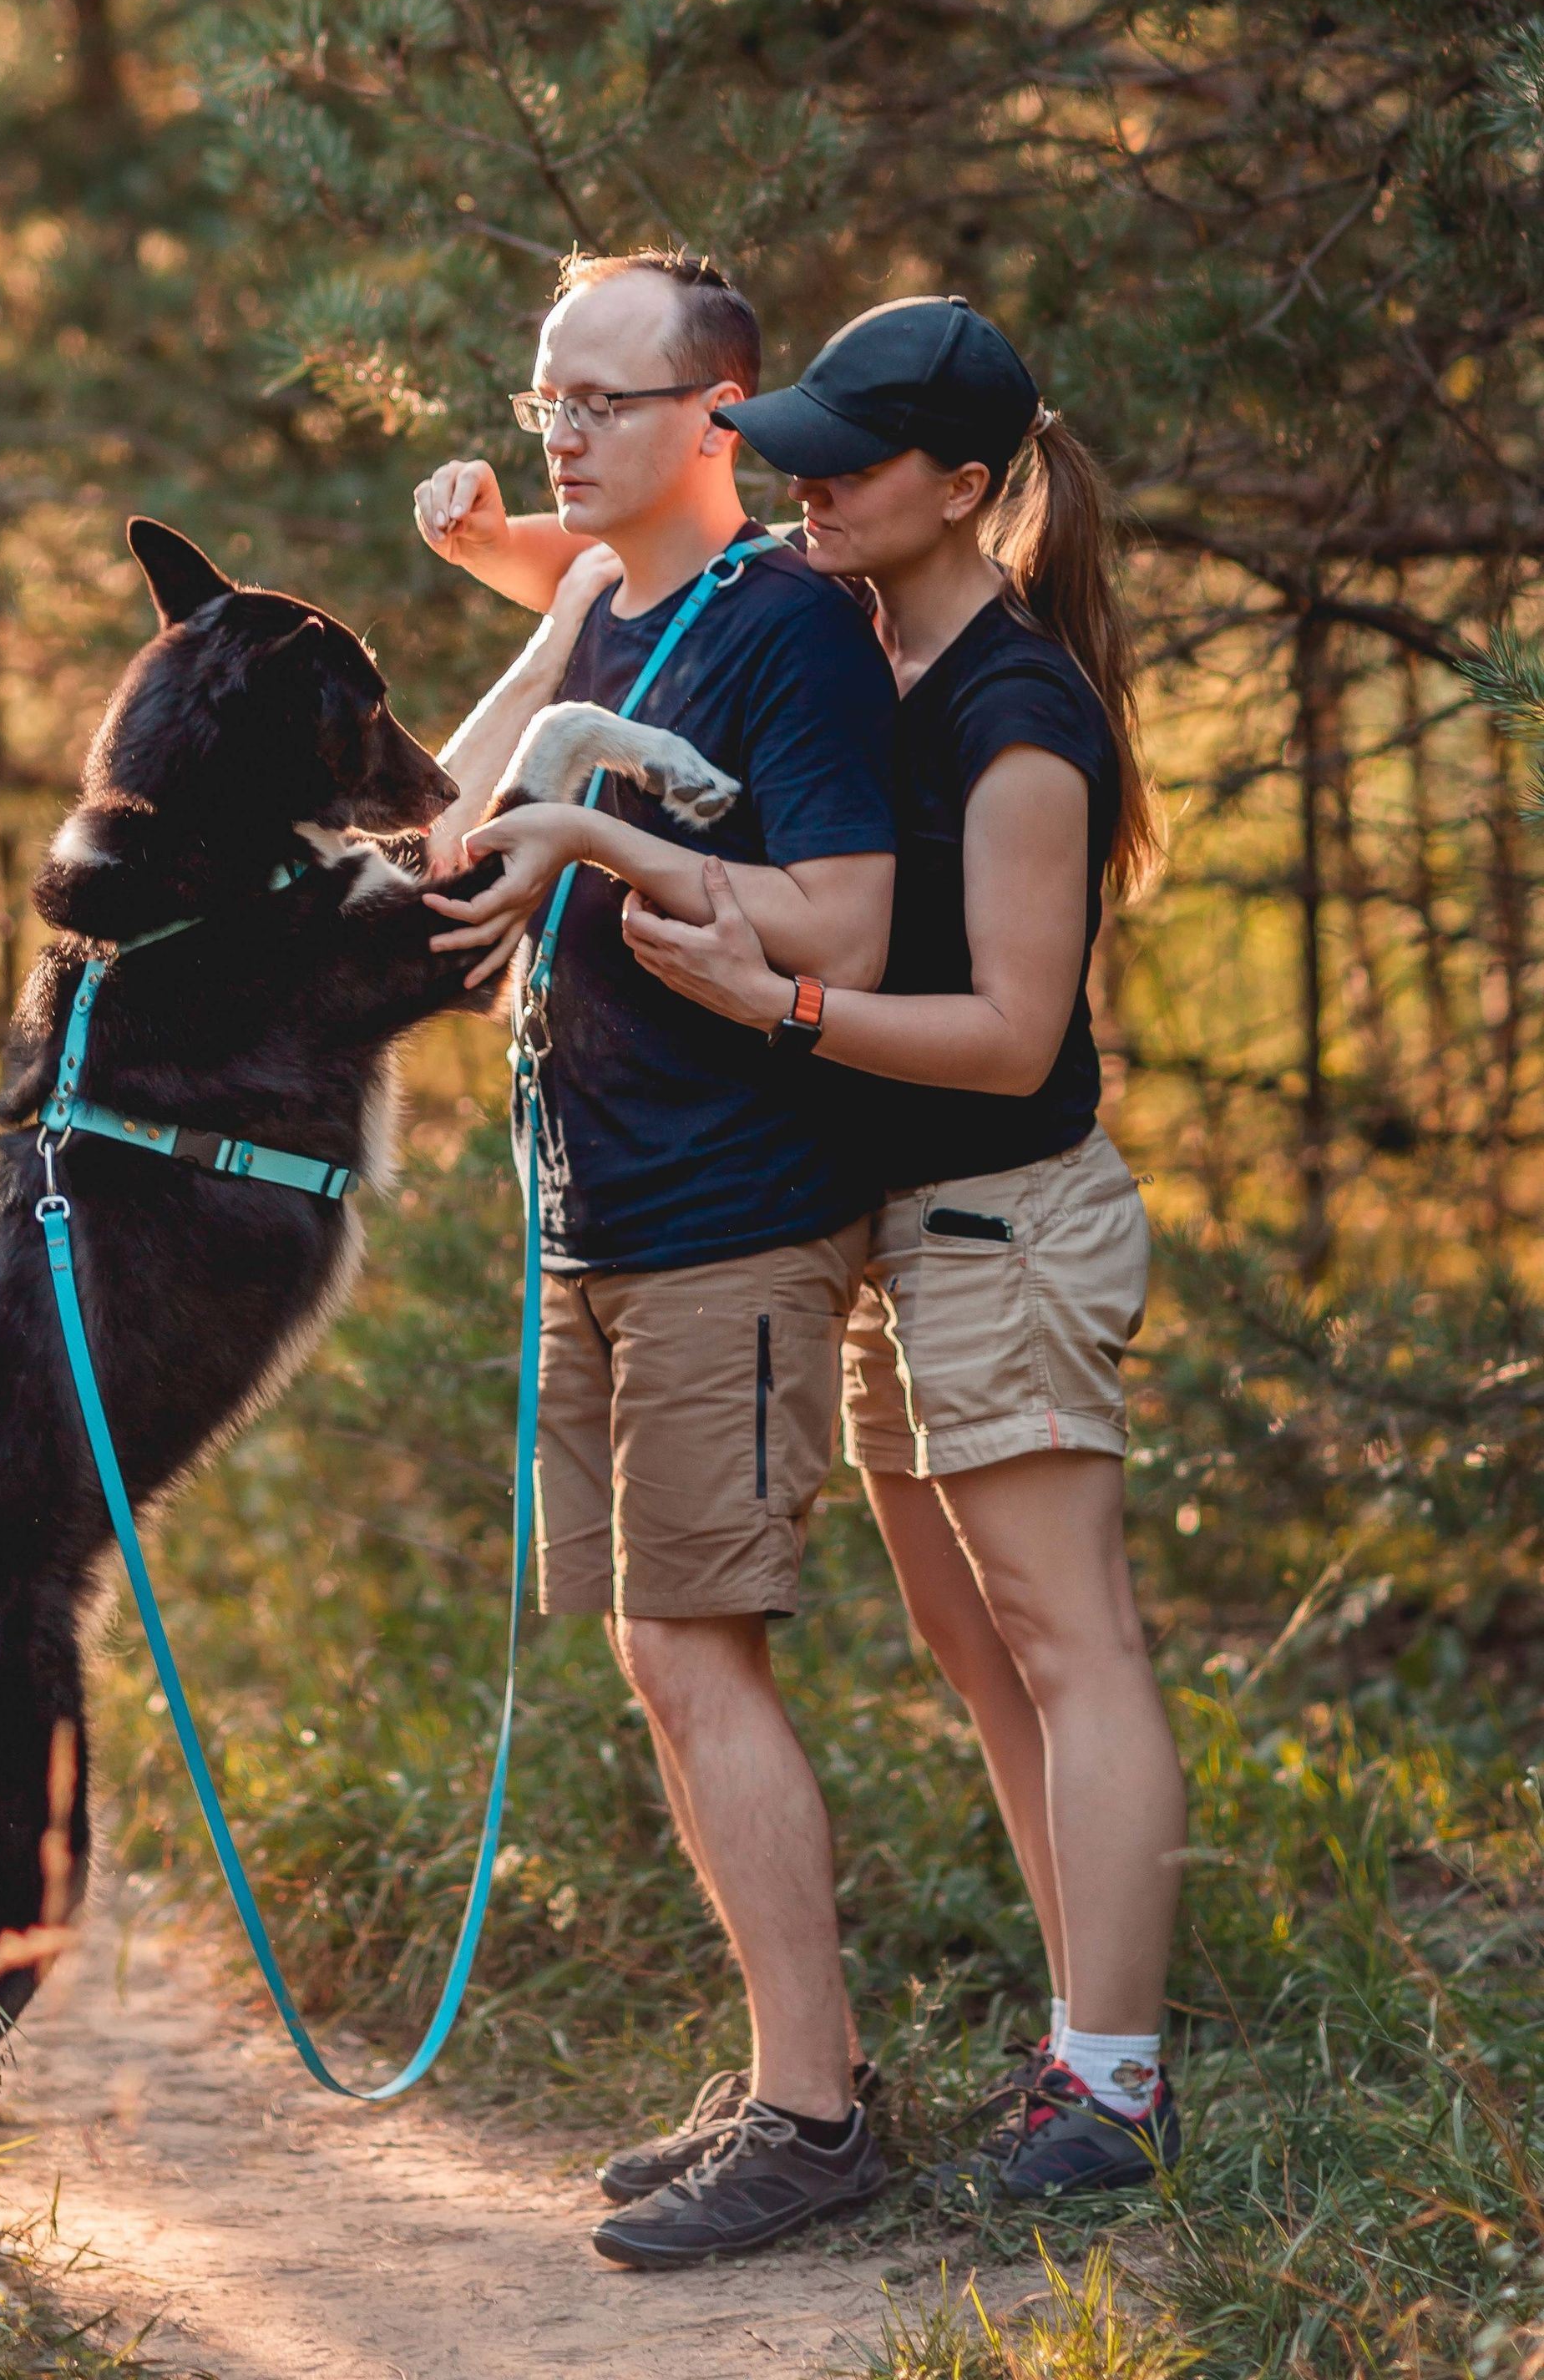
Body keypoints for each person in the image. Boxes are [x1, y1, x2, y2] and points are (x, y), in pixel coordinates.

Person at [423, 295, 1186, 2209]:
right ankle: (1072, 2046)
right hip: (903, 1218)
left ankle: (1113, 2080)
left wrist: (779, 1010)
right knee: (966, 1639)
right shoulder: (863, 625)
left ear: (960, 488)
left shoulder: (1015, 725)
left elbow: (1013, 1038)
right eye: (797, 442)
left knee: (1065, 1638)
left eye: (844, 457)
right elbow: (625, 544)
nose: (802, 477)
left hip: (1004, 1207)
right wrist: (499, 545)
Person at [419, 251, 901, 2268]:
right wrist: (547, 701)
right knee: (653, 1650)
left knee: (702, 1650)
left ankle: (816, 2117)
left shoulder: (785, 628)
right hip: (591, 1210)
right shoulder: (608, 601)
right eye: (548, 395)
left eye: (605, 399)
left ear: (720, 411)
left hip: (737, 1209)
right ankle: (789, 2071)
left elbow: (841, 929)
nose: (562, 429)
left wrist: (600, 822)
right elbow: (447, 827)